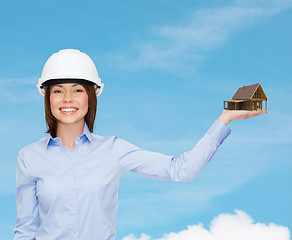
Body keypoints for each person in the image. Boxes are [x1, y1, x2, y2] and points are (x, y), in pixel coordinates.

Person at [13, 49, 268, 240]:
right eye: (58, 90)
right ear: (47, 97)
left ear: (91, 97)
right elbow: (26, 230)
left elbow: (180, 170)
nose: (67, 98)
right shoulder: (30, 157)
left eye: (77, 89)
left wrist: (225, 119)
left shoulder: (113, 150)